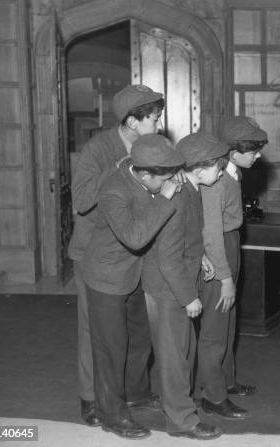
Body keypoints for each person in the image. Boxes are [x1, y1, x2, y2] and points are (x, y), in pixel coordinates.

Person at [68, 84, 164, 427]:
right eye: (154, 119)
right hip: (96, 252)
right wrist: (121, 166)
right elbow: (80, 200)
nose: (159, 125)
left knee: (138, 328)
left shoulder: (151, 145)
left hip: (136, 248)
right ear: (133, 122)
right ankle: (91, 400)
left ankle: (135, 391)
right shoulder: (98, 148)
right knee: (96, 330)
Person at [82, 134, 184, 440]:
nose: (171, 181)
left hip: (135, 273)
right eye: (163, 177)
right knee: (111, 349)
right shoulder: (113, 190)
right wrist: (164, 197)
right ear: (143, 174)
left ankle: (137, 393)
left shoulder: (144, 171)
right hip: (107, 276)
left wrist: (164, 181)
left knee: (140, 340)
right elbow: (134, 237)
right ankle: (111, 413)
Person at [141, 132, 228, 440]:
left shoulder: (189, 190)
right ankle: (182, 422)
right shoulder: (178, 197)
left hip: (175, 280)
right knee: (176, 357)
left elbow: (183, 240)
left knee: (183, 350)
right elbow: (166, 257)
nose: (221, 170)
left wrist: (201, 255)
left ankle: (181, 408)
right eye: (219, 165)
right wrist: (188, 297)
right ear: (200, 168)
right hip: (168, 287)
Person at [197, 116, 267, 419]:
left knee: (228, 318)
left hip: (230, 241)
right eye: (253, 150)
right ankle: (212, 396)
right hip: (218, 248)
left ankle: (225, 381)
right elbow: (210, 233)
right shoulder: (216, 181)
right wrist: (224, 277)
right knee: (215, 327)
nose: (259, 155)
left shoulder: (231, 172)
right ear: (233, 151)